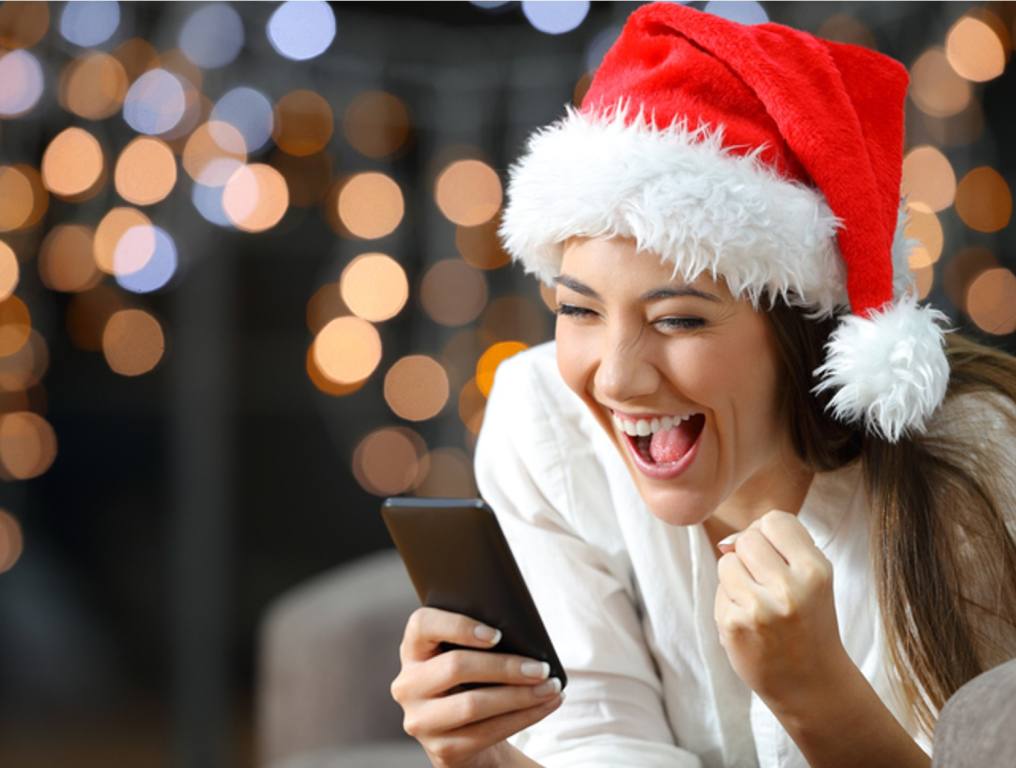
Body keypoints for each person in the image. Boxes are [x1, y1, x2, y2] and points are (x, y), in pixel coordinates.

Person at [389, 4, 1016, 767]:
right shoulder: (541, 422)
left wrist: (815, 693)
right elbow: (598, 746)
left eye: (680, 321)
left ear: (802, 331)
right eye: (578, 308)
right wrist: (487, 757)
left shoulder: (971, 468)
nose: (616, 377)